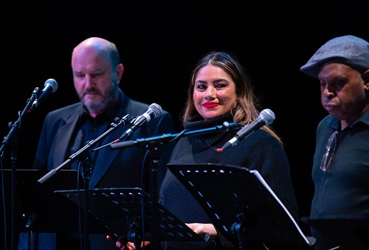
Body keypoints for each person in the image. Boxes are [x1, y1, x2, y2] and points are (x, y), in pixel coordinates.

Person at [117, 51, 305, 249]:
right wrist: (147, 237)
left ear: (239, 92)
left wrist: (216, 230)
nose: (209, 94)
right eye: (201, 87)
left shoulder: (260, 144)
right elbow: (172, 212)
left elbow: (281, 225)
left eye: (220, 85)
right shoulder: (182, 142)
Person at [17, 37, 176, 250]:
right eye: (79, 75)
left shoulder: (152, 120)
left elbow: (164, 199)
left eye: (97, 74)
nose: (88, 84)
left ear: (118, 73)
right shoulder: (54, 120)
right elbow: (37, 197)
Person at [300, 35, 369, 250]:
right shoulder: (325, 127)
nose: (327, 92)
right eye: (322, 84)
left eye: (338, 83)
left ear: (367, 80)